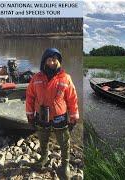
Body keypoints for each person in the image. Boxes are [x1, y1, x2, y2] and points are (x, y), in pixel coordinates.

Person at [26, 48, 79, 180]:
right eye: (49, 59)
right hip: (41, 115)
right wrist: (30, 115)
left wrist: (74, 116)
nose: (52, 62)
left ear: (59, 61)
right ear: (44, 61)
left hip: (59, 117)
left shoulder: (66, 78)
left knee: (64, 142)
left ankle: (65, 165)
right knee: (43, 139)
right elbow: (30, 97)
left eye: (55, 59)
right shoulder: (36, 78)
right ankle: (43, 158)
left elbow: (72, 99)